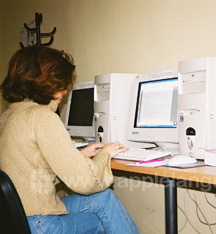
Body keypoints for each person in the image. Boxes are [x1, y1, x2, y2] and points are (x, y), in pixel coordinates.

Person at [0, 45, 140, 234]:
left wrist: (78, 155)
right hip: (40, 223)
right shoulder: (42, 117)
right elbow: (85, 182)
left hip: (15, 219)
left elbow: (31, 171)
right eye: (60, 84)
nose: (65, 91)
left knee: (104, 198)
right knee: (104, 219)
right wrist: (105, 154)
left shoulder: (8, 116)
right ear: (45, 82)